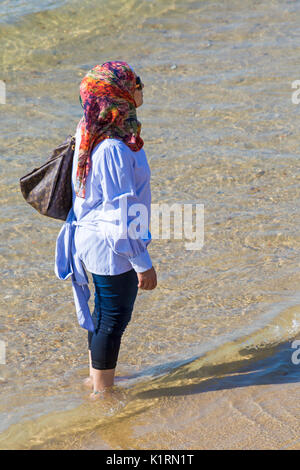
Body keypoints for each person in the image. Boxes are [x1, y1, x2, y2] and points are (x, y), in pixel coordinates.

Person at [63, 61, 157, 397]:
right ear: (117, 95)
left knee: (103, 314)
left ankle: (96, 378)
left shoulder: (89, 129)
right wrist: (142, 262)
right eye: (136, 84)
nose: (141, 89)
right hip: (112, 245)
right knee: (113, 319)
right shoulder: (115, 148)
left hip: (91, 238)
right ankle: (102, 392)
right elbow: (122, 212)